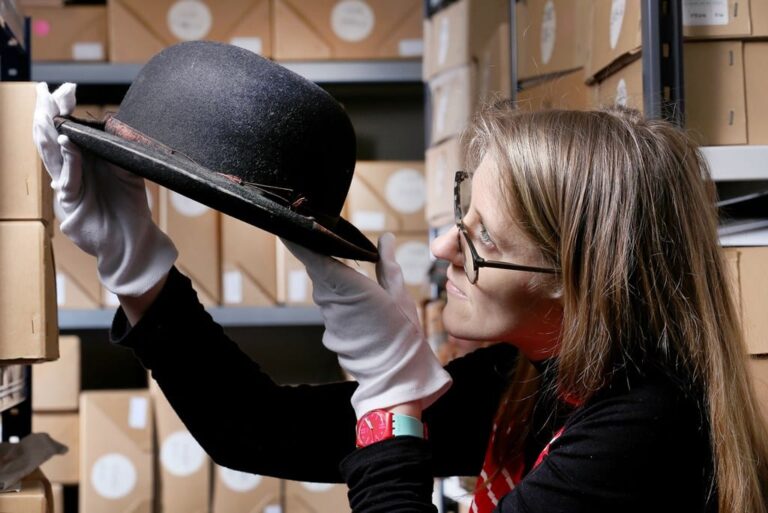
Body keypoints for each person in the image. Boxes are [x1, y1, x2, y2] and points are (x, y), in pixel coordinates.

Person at [34, 82, 768, 512]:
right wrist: (133, 263)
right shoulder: (534, 376)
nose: (446, 248)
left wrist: (392, 400)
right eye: (461, 216)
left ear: (577, 277)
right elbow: (253, 428)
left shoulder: (643, 430)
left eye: (483, 240)